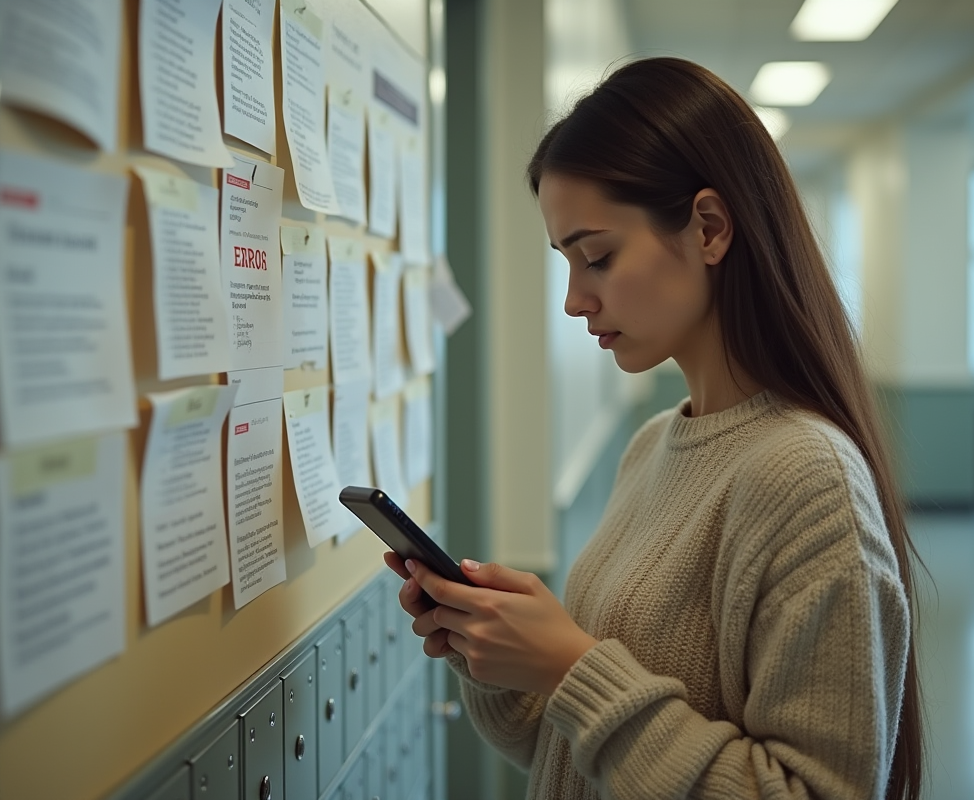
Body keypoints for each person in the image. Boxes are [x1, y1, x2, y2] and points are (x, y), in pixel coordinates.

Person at [384, 57, 922, 800]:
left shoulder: (806, 478)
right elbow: (580, 753)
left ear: (708, 228)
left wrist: (572, 664)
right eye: (567, 264)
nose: (575, 301)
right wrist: (501, 659)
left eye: (598, 257)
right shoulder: (653, 448)